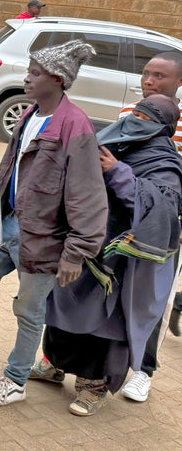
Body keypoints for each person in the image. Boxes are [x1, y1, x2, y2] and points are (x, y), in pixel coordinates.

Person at [0, 40, 108, 407]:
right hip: (10, 227)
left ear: (57, 79)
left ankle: (15, 379)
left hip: (46, 238)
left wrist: (76, 253)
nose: (27, 78)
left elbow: (87, 194)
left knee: (29, 310)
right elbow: (10, 169)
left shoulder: (75, 125)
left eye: (34, 73)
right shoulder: (29, 114)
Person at [40, 95, 182, 415]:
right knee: (63, 305)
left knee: (101, 323)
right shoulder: (114, 136)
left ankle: (94, 386)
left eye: (147, 119)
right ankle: (54, 365)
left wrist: (118, 172)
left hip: (118, 259)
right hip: (84, 242)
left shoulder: (165, 163)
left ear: (165, 129)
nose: (137, 121)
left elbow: (164, 211)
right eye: (137, 113)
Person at [113, 50, 182, 401]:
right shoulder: (129, 112)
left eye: (160, 76)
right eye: (146, 74)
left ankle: (144, 370)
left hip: (166, 227)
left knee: (151, 299)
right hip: (121, 222)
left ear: (179, 81)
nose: (150, 81)